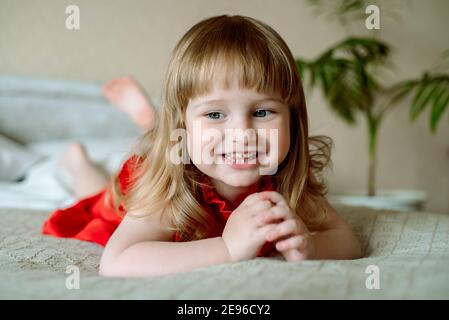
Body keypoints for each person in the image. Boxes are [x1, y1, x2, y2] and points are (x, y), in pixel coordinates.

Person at [42, 15, 362, 278]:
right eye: (214, 113)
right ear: (185, 124)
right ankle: (78, 160)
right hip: (146, 180)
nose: (241, 134)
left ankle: (156, 126)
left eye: (262, 112)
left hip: (184, 145)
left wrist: (310, 246)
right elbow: (117, 262)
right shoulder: (170, 191)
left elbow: (346, 240)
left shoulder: (287, 184)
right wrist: (227, 249)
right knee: (97, 197)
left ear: (292, 121)